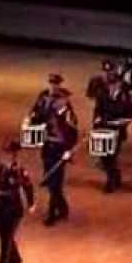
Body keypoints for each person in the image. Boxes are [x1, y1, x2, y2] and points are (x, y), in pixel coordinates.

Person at [31, 74, 78, 226]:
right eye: (51, 84)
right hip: (47, 145)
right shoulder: (43, 98)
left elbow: (72, 128)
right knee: (50, 179)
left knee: (54, 182)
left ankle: (52, 213)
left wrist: (69, 149)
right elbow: (36, 114)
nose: (53, 87)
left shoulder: (64, 104)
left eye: (55, 84)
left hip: (60, 146)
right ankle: (63, 207)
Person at [0, 140, 35, 263]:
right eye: (5, 152)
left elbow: (28, 186)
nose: (6, 156)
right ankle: (15, 259)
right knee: (4, 236)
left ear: (14, 154)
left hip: (13, 208)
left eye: (9, 153)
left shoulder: (19, 170)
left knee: (6, 239)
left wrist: (31, 202)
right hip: (0, 206)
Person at [93, 73, 132, 192]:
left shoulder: (125, 97)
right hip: (104, 130)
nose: (111, 86)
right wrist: (97, 119)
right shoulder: (103, 95)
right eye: (109, 84)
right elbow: (97, 110)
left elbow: (130, 116)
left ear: (119, 84)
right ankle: (115, 175)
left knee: (111, 156)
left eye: (114, 84)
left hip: (117, 132)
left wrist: (119, 123)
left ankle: (110, 182)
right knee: (104, 157)